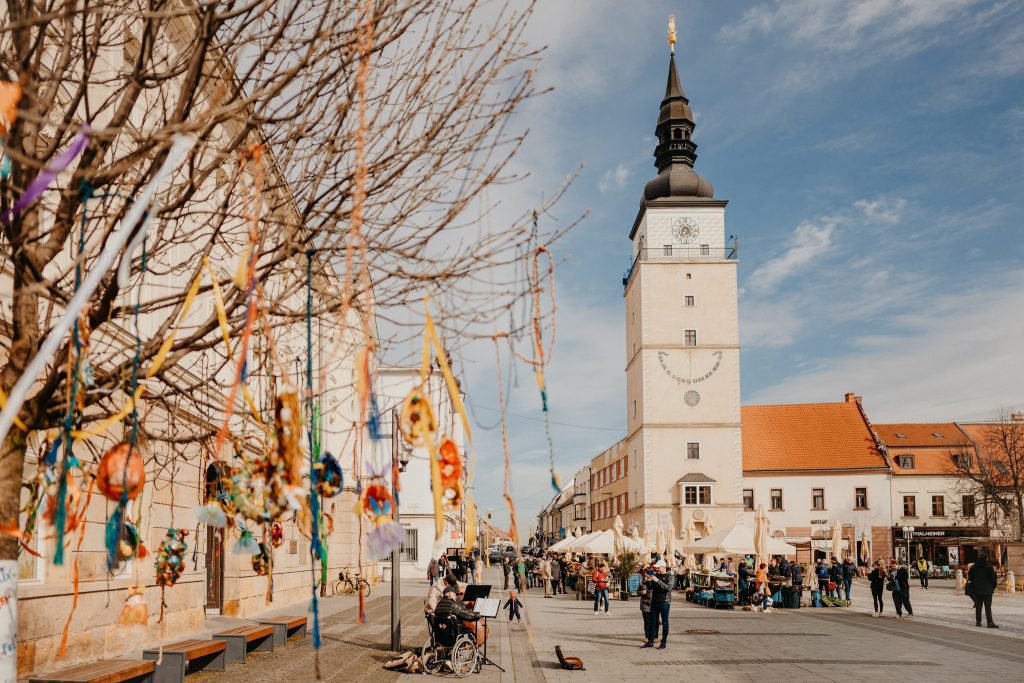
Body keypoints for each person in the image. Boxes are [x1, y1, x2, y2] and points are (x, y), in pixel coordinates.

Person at [967, 550, 999, 628]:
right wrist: (993, 587)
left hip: (977, 590)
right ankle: (989, 622)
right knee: (988, 607)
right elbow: (994, 578)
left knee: (978, 607)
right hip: (987, 590)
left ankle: (978, 622)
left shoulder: (973, 567)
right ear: (986, 558)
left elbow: (970, 577)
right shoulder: (989, 567)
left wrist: (973, 587)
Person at [647, 563, 674, 649]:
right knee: (653, 622)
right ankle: (650, 642)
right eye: (656, 568)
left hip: (665, 603)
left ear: (663, 567)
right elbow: (650, 588)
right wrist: (648, 581)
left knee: (664, 622)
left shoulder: (670, 576)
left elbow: (668, 588)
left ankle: (663, 642)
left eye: (658, 568)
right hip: (655, 602)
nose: (657, 569)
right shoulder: (656, 575)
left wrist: (657, 581)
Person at [639, 565, 655, 647]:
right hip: (645, 604)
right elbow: (643, 592)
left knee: (653, 621)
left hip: (653, 603)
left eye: (649, 573)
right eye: (646, 573)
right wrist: (645, 583)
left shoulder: (654, 581)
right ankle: (647, 636)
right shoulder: (642, 582)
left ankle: (654, 637)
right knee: (647, 621)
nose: (647, 575)